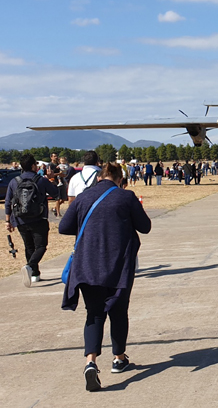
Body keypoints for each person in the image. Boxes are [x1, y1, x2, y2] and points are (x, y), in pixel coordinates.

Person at [60, 163, 151, 391]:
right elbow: (145, 227)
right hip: (117, 265)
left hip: (87, 265)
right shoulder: (126, 197)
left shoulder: (83, 197)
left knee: (94, 313)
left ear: (100, 177)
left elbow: (64, 227)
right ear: (120, 178)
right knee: (119, 311)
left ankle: (91, 362)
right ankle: (119, 359)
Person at [4, 153, 59, 287]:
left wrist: (7, 221)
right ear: (34, 166)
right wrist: (51, 179)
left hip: (20, 219)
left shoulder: (14, 181)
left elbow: (7, 202)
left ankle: (34, 274)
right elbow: (56, 194)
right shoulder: (41, 180)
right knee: (41, 246)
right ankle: (30, 267)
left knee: (29, 246)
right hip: (38, 218)